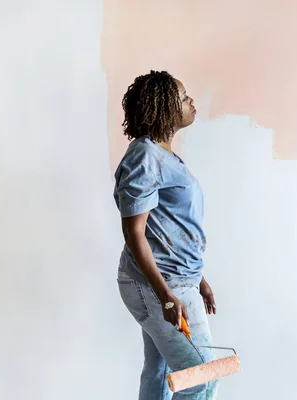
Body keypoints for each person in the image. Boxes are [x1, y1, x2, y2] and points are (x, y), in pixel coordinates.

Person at [113, 70, 219, 400]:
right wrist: (165, 297)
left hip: (176, 281)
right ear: (163, 106)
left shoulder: (163, 156)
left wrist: (198, 278)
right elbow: (134, 233)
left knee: (160, 372)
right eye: (184, 98)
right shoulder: (145, 157)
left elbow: (171, 224)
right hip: (159, 285)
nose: (191, 102)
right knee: (200, 377)